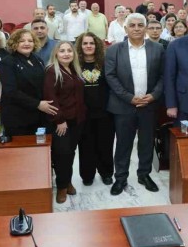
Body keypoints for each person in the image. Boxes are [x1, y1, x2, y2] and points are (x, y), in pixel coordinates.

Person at [105, 13, 164, 195]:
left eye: (140, 25)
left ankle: (144, 174)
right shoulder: (114, 50)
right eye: (132, 25)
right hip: (123, 105)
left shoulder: (158, 48)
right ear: (126, 28)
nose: (136, 28)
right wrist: (128, 97)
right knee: (123, 143)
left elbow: (164, 75)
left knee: (146, 142)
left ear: (145, 28)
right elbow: (110, 76)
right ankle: (120, 177)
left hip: (148, 105)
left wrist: (153, 95)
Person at [44, 41, 85, 204]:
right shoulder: (51, 71)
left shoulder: (74, 69)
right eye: (62, 51)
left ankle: (67, 181)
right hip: (61, 122)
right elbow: (50, 97)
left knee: (71, 152)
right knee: (62, 154)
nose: (66, 54)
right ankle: (61, 187)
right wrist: (59, 120)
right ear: (56, 53)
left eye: (69, 50)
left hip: (77, 120)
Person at [0, 29, 56, 137]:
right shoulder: (7, 62)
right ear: (14, 43)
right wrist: (37, 104)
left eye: (30, 41)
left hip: (38, 116)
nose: (27, 43)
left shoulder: (37, 59)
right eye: (22, 41)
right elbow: (11, 91)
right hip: (18, 117)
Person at [76, 32, 115, 186]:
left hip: (105, 112)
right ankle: (87, 175)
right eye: (85, 43)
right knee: (86, 145)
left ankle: (106, 173)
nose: (88, 46)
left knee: (105, 144)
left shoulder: (105, 63)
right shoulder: (75, 64)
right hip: (83, 114)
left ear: (97, 45)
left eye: (91, 43)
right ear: (80, 46)